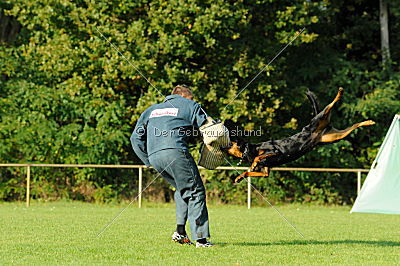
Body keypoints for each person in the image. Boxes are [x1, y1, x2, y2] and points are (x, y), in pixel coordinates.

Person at [130, 85, 214, 248]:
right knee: (196, 191)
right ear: (184, 96)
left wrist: (147, 160)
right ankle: (202, 240)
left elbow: (135, 139)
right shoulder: (190, 105)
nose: (193, 101)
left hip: (155, 156)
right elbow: (211, 127)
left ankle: (180, 232)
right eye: (191, 99)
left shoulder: (152, 110)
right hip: (175, 152)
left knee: (183, 189)